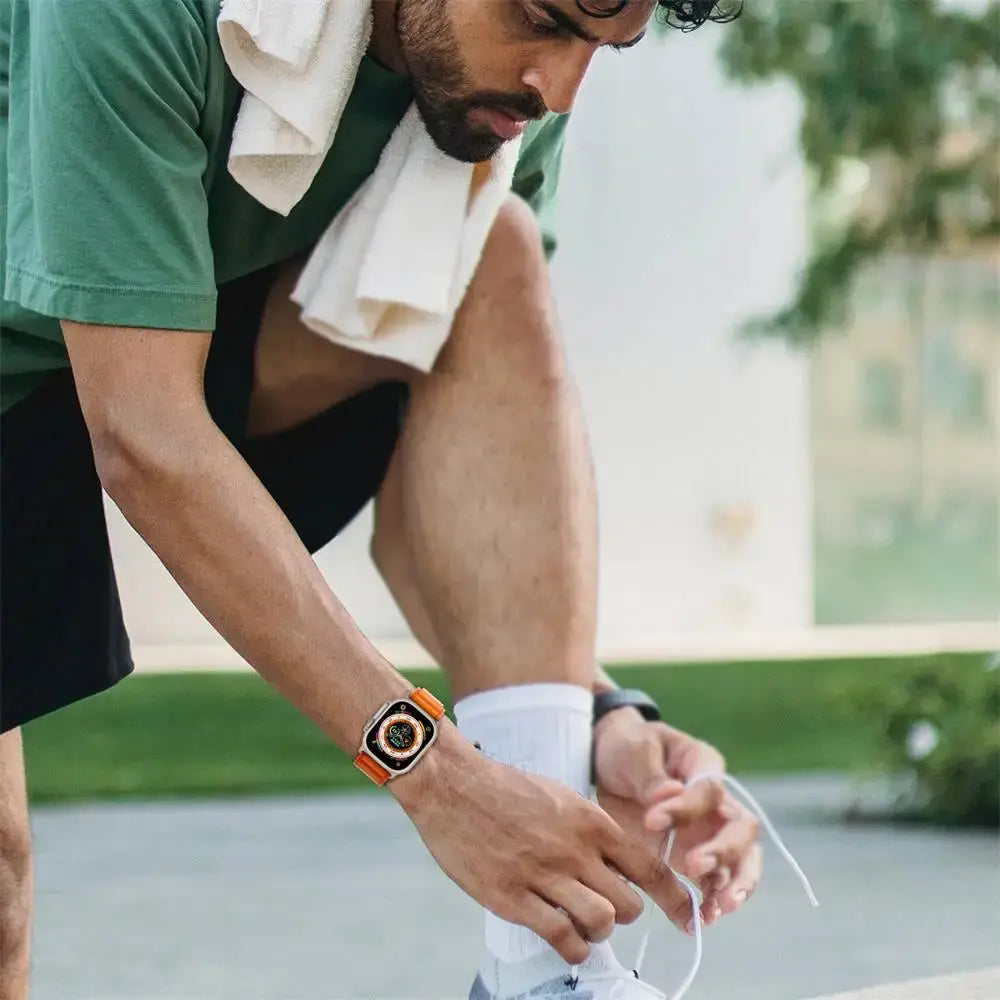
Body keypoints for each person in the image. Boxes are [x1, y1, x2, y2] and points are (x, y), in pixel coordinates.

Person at [0, 0, 762, 997]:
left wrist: (592, 719)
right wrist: (434, 774)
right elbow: (146, 438)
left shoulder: (497, 98)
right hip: (79, 360)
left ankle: (539, 977)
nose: (561, 85)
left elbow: (440, 513)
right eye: (541, 19)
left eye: (600, 46)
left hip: (184, 339)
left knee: (496, 255)